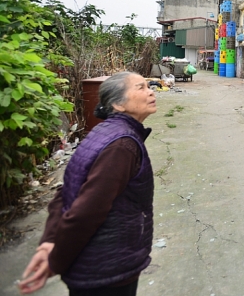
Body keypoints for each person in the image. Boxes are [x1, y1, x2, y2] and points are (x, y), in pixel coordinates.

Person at [19, 72, 157, 295]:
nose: (151, 91)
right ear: (117, 104)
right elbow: (87, 211)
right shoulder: (122, 145)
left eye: (148, 86)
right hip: (107, 269)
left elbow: (67, 191)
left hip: (98, 265)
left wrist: (50, 242)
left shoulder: (103, 133)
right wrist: (56, 260)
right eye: (140, 88)